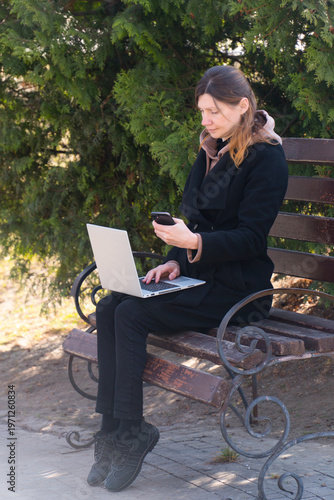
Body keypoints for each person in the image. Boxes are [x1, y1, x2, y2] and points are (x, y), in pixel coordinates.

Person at [87, 65, 288, 492]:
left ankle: (133, 434)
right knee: (110, 305)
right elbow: (194, 220)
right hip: (199, 280)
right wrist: (176, 258)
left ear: (243, 107)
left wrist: (194, 241)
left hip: (239, 291)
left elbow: (251, 238)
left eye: (213, 111)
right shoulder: (212, 149)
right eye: (202, 111)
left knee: (131, 316)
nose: (206, 120)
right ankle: (113, 431)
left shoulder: (267, 158)